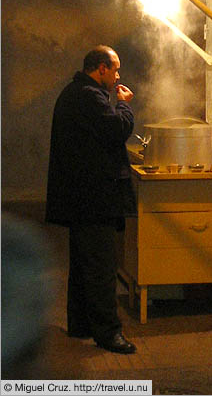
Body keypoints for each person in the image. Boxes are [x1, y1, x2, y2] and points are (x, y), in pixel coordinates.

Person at [45, 45, 137, 354]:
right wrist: (123, 105)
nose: (118, 76)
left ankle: (80, 323)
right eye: (115, 69)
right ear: (100, 69)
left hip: (80, 198)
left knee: (84, 265)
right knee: (100, 268)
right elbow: (116, 129)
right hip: (94, 199)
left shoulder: (75, 93)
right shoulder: (89, 97)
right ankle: (109, 333)